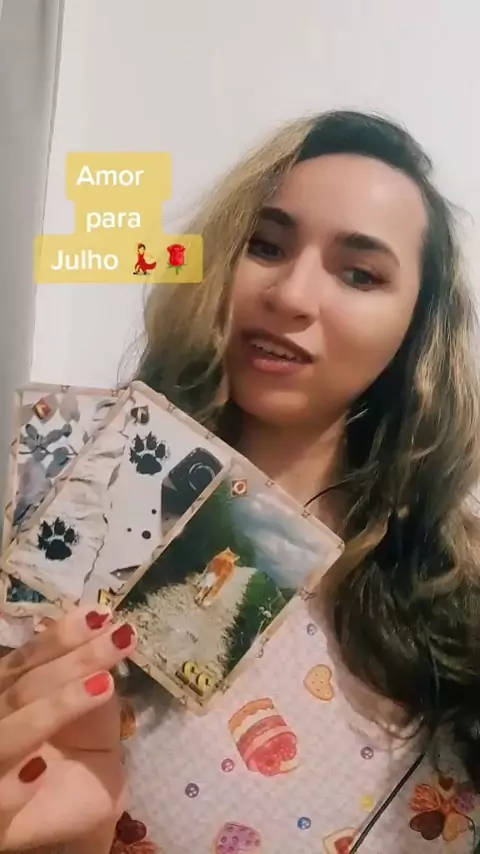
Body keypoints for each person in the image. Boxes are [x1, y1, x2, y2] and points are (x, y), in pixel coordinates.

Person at [2, 109, 480, 852]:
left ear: (416, 328)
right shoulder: (58, 528)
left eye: (360, 273)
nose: (290, 295)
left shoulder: (463, 584)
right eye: (264, 244)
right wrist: (66, 839)